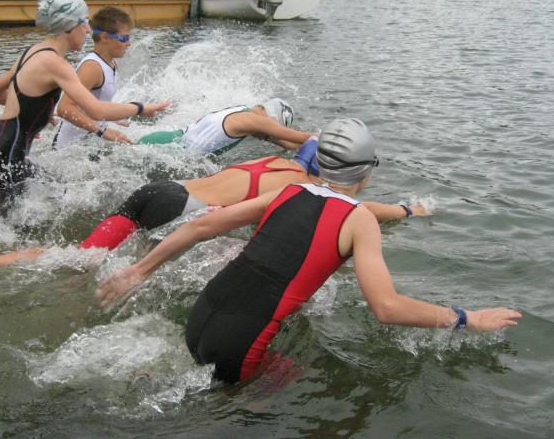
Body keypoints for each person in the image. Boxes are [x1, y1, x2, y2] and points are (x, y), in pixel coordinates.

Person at [97, 118, 521, 384]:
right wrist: (466, 319)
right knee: (294, 390)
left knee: (208, 377)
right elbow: (387, 308)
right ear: (366, 172)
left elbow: (201, 225)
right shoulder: (360, 219)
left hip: (202, 315)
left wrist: (139, 270)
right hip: (242, 341)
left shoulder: (287, 190)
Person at [0, 138, 428, 272]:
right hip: (176, 208)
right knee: (96, 264)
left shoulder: (273, 163)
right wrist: (407, 211)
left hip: (159, 190)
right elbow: (363, 211)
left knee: (84, 256)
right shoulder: (303, 186)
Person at [0, 0, 169, 215]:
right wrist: (140, 108)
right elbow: (96, 110)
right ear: (68, 25)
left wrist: (38, 111)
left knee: (50, 198)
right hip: (7, 159)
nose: (88, 30)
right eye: (84, 23)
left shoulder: (32, 51)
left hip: (1, 154)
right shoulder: (56, 63)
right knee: (12, 229)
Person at [52, 6, 137, 148]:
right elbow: (64, 108)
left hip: (89, 144)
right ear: (105, 37)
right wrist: (102, 130)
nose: (129, 44)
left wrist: (113, 119)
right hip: (68, 149)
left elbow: (94, 103)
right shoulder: (92, 67)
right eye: (124, 38)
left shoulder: (111, 64)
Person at [136, 99, 311, 154]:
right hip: (168, 152)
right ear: (273, 120)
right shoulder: (259, 122)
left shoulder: (243, 112)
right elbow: (303, 138)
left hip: (162, 140)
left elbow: (290, 144)